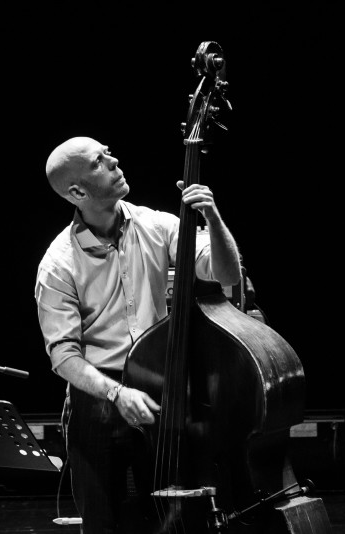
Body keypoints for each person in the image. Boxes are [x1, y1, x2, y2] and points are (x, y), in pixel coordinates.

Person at [34, 136, 242, 533]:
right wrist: (117, 393)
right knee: (103, 523)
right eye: (98, 162)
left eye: (108, 153)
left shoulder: (158, 224)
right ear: (77, 192)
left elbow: (227, 274)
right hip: (97, 399)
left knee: (173, 520)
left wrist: (213, 219)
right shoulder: (58, 263)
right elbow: (63, 355)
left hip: (161, 390)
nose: (114, 161)